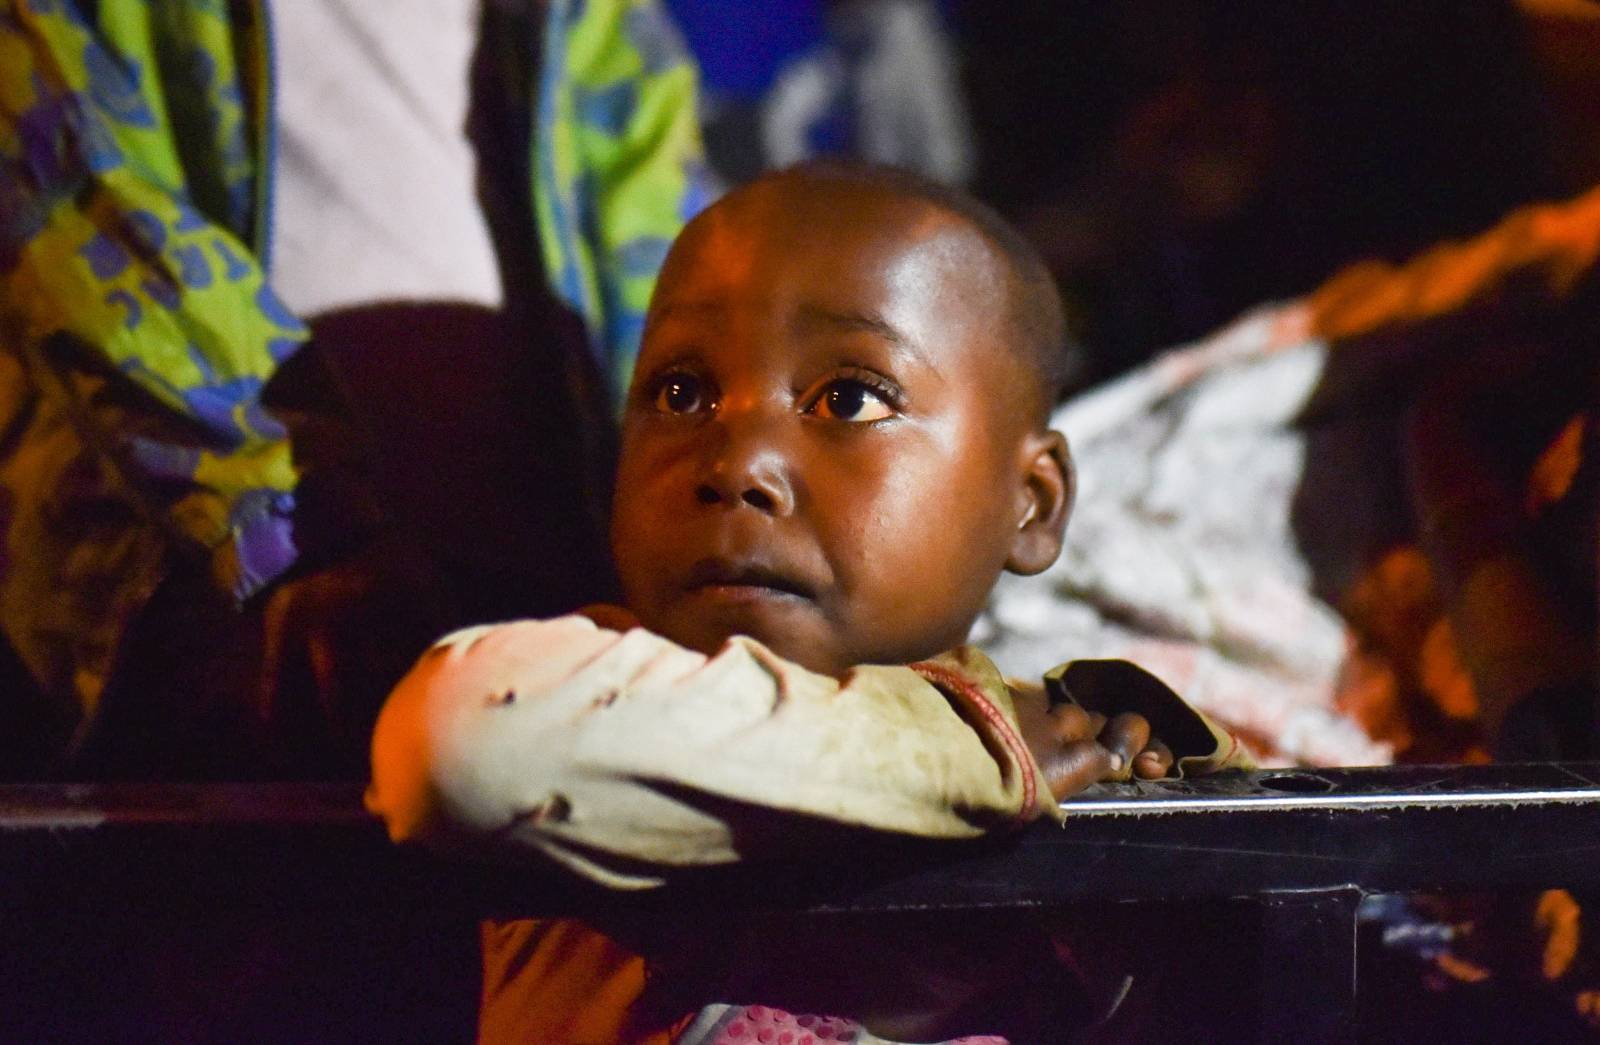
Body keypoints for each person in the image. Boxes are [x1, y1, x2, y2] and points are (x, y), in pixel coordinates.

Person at [369, 162, 1251, 1043]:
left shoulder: (1070, 739)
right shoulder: (600, 689)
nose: (736, 461)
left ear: (1033, 503)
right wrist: (951, 743)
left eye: (850, 398)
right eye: (682, 393)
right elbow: (468, 744)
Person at [0, 0, 712, 780]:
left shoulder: (587, 17)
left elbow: (670, 256)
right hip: (215, 605)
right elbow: (71, 211)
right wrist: (294, 526)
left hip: (548, 609)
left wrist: (682, 558)